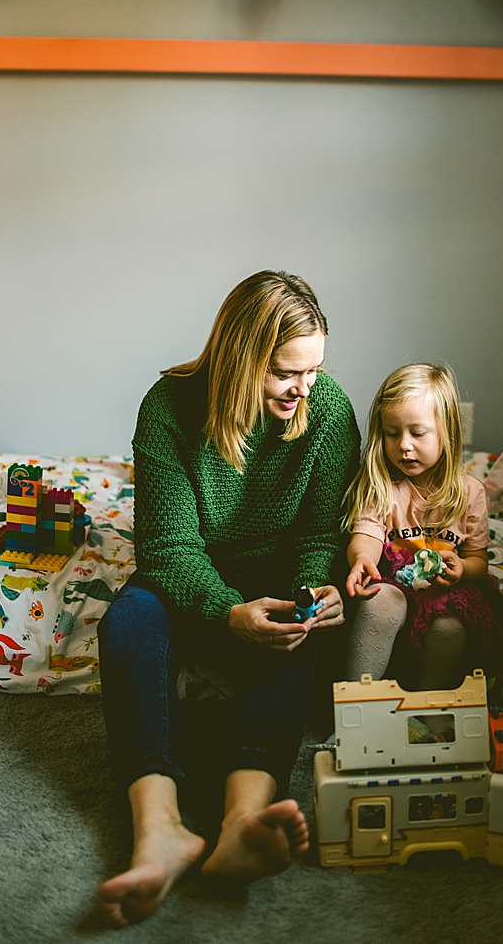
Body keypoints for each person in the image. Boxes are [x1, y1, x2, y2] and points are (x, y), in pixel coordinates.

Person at [96, 270, 360, 927]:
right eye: (285, 374)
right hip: (196, 578)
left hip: (275, 578)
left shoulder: (327, 410)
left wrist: (314, 593)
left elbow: (319, 536)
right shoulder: (168, 407)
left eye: (315, 371)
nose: (304, 389)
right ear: (240, 361)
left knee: (296, 630)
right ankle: (160, 829)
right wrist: (223, 612)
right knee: (128, 617)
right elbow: (168, 550)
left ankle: (245, 817)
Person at [342, 363, 503, 690]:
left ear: (447, 432)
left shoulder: (470, 492)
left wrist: (462, 568)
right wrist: (361, 559)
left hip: (444, 592)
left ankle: (428, 704)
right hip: (393, 585)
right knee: (379, 603)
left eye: (417, 433)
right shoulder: (382, 485)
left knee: (450, 627)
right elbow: (365, 534)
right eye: (392, 434)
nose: (404, 445)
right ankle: (354, 701)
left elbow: (479, 561)